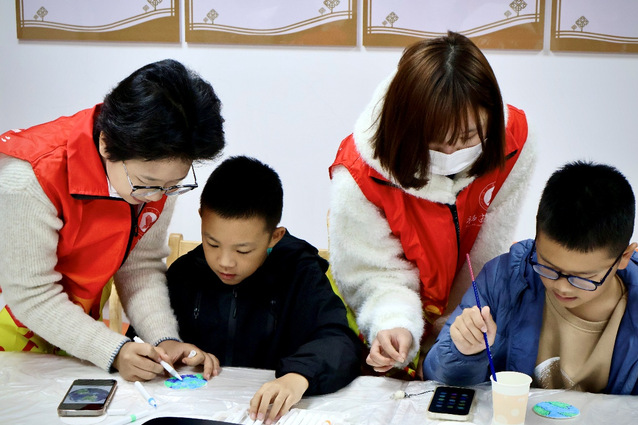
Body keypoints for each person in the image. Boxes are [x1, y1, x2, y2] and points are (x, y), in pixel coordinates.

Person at [0, 59, 225, 381]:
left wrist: (164, 339)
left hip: (70, 325)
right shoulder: (29, 177)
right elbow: (30, 294)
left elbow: (140, 264)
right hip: (10, 327)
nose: (157, 198)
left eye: (173, 185)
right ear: (106, 144)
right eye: (146, 183)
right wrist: (113, 350)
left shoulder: (159, 177)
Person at [328, 31, 536, 377]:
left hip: (468, 323)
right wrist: (395, 322)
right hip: (393, 318)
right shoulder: (359, 173)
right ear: (405, 127)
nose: (452, 153)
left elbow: (489, 250)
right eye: (436, 143)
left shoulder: (514, 144)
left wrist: (461, 319)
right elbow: (374, 274)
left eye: (468, 137)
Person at [165, 156, 362, 424]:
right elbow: (148, 341)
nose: (225, 262)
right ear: (202, 219)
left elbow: (339, 341)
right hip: (196, 411)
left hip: (271, 415)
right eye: (212, 244)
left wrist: (298, 376)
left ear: (274, 237)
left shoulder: (299, 272)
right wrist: (175, 350)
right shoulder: (186, 273)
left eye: (243, 250)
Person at [424, 161, 638, 395]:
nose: (562, 287)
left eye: (583, 277)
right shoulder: (504, 278)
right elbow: (436, 378)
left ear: (624, 257)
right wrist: (464, 352)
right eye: (548, 267)